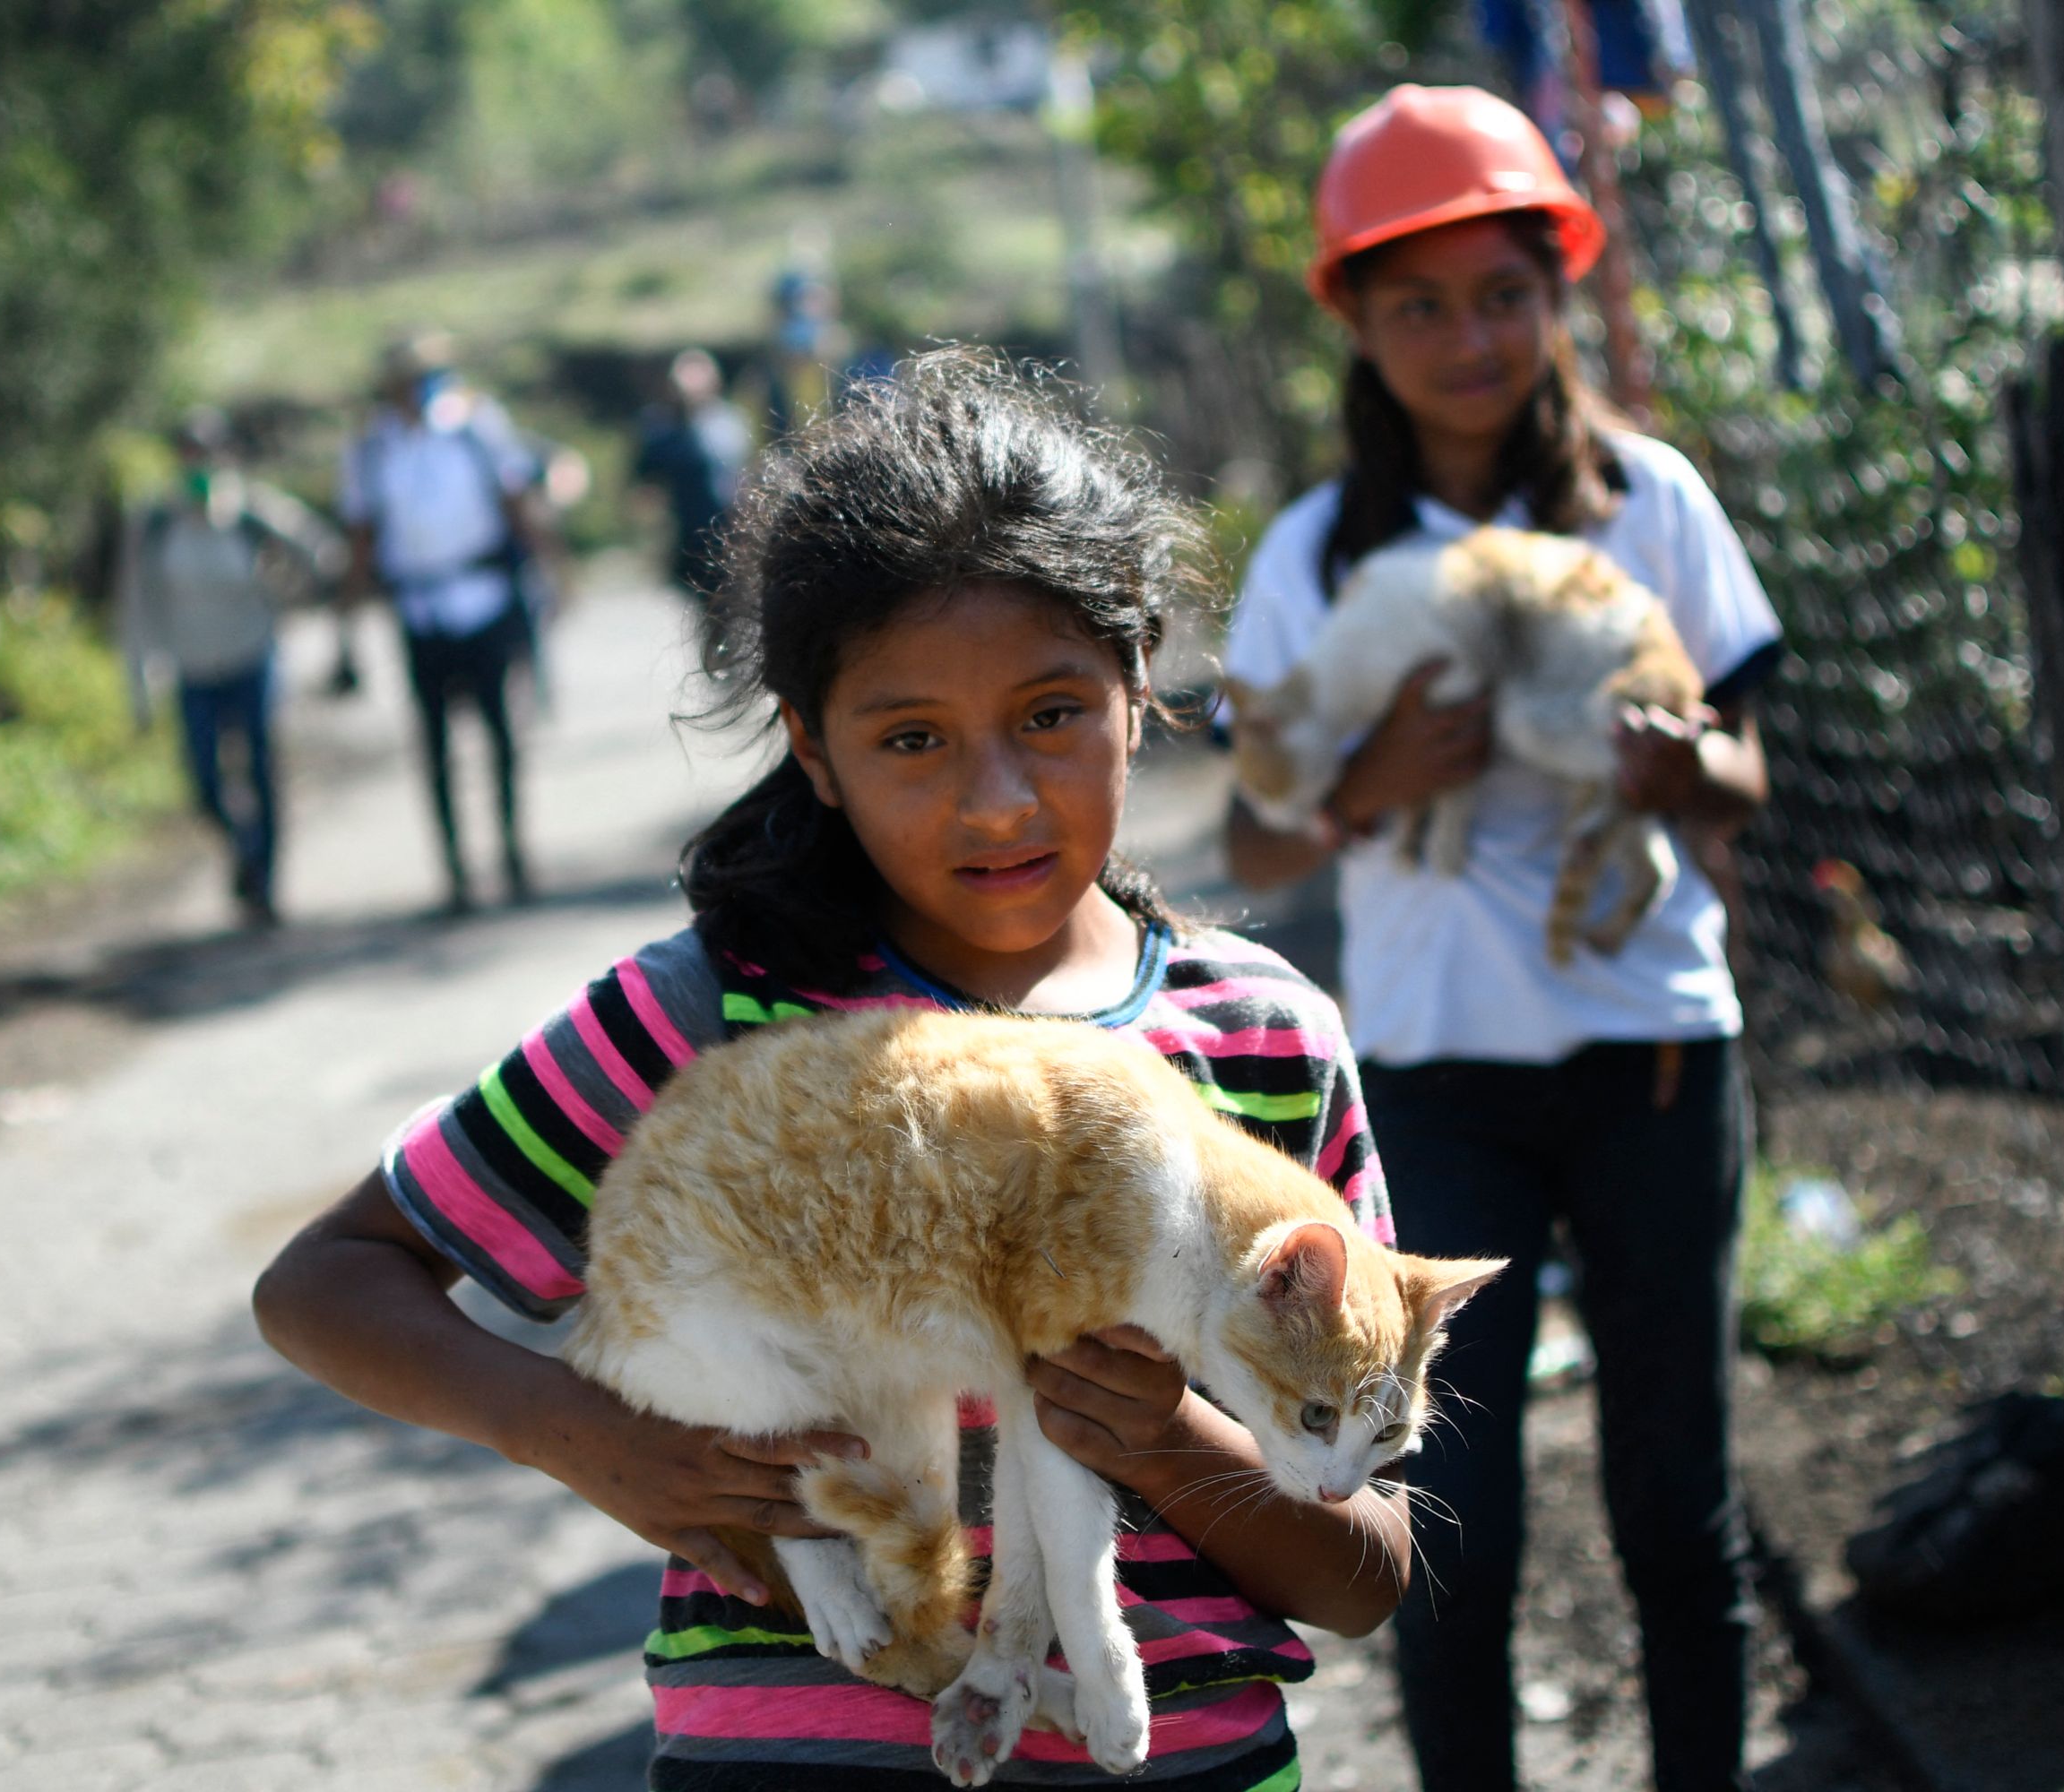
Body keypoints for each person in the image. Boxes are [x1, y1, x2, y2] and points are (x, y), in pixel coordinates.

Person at [255, 352, 1409, 1790]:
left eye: (1052, 713)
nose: (996, 798)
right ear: (813, 748)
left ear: (1140, 681)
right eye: (912, 739)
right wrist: (589, 1438)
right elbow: (324, 1284)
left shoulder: (1263, 1041)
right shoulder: (713, 1018)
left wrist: (1171, 1438)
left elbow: (1367, 1576)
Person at [1218, 86, 1784, 1792]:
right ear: (1358, 323)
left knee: (1675, 1501)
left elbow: (1749, 776)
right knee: (1451, 1526)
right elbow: (1250, 829)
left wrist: (1686, 770)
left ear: (1556, 297)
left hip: (1657, 1049)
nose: (1471, 336)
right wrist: (1365, 784)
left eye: (1504, 294)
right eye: (1420, 304)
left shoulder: (1652, 502)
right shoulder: (1320, 554)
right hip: (1433, 1073)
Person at [337, 331, 558, 912]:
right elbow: (362, 537)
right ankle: (456, 871)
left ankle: (513, 850)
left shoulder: (476, 428)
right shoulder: (371, 450)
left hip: (484, 600)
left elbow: (517, 504)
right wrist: (348, 625)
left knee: (500, 736)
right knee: (434, 746)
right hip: (419, 612)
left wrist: (552, 569)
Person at [119, 409, 341, 927]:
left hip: (251, 656)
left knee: (261, 769)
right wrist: (139, 682)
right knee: (204, 782)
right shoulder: (154, 523)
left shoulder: (252, 513)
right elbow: (135, 606)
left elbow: (320, 552)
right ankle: (242, 847)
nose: (197, 464)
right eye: (187, 454)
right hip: (193, 668)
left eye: (207, 455)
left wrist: (289, 588)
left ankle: (264, 884)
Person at [629, 348, 750, 604]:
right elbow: (646, 487)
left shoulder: (730, 422)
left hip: (730, 529)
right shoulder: (661, 428)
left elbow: (746, 472)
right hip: (687, 534)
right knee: (703, 609)